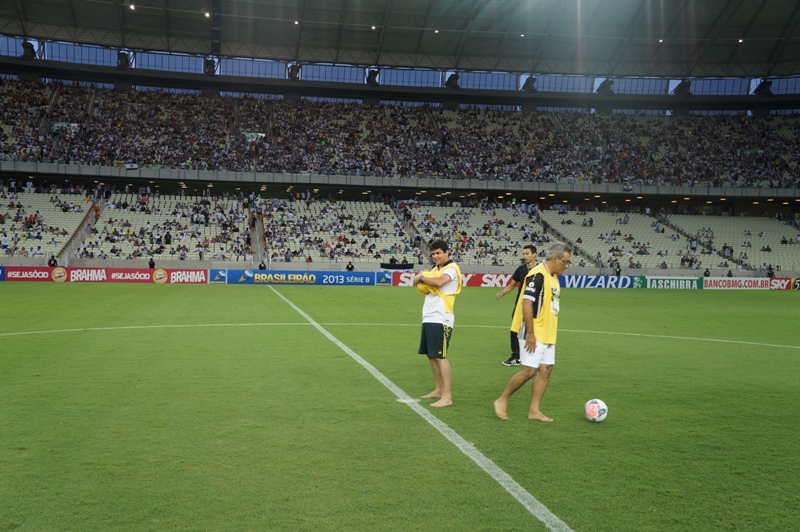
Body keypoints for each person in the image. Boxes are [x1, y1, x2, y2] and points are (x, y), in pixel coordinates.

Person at [494, 242, 571, 422]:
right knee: (529, 370)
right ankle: (502, 399)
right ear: (555, 258)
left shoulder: (554, 277)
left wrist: (553, 335)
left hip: (547, 333)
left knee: (546, 369)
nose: (566, 266)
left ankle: (534, 410)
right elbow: (526, 303)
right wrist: (530, 333)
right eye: (565, 262)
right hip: (534, 332)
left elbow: (551, 308)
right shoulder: (537, 275)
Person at [414, 239, 463, 408]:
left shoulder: (452, 268)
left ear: (446, 252)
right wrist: (422, 279)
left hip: (442, 317)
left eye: (438, 253)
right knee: (431, 355)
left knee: (441, 356)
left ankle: (447, 396)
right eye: (433, 254)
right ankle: (438, 390)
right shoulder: (435, 269)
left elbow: (438, 282)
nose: (435, 256)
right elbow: (422, 287)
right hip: (429, 315)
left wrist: (421, 276)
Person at [495, 245, 537, 366]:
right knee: (514, 330)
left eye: (527, 253)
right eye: (523, 254)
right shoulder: (521, 270)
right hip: (520, 306)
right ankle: (516, 356)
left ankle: (535, 355)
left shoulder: (540, 270)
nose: (524, 256)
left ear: (534, 255)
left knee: (534, 330)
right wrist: (502, 293)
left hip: (535, 306)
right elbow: (512, 285)